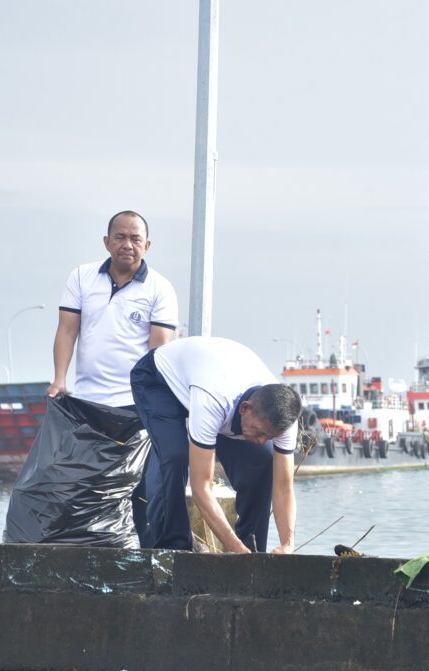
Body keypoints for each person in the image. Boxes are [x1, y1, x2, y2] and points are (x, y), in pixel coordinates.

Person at [48, 210, 179, 542]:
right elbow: (67, 330)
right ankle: (86, 549)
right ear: (106, 242)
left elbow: (158, 352)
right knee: (85, 486)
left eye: (135, 239)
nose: (127, 245)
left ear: (147, 245)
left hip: (135, 407)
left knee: (139, 487)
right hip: (88, 404)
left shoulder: (160, 288)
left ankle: (143, 554)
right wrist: (59, 379)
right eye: (120, 237)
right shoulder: (82, 277)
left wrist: (153, 402)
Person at [130, 336, 302, 553]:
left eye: (270, 436)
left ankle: (252, 548)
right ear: (245, 409)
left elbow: (284, 487)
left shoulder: (285, 419)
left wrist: (288, 544)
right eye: (259, 433)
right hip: (159, 380)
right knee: (175, 457)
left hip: (207, 381)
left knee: (264, 460)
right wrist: (232, 547)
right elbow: (202, 486)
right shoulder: (213, 399)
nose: (261, 440)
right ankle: (173, 548)